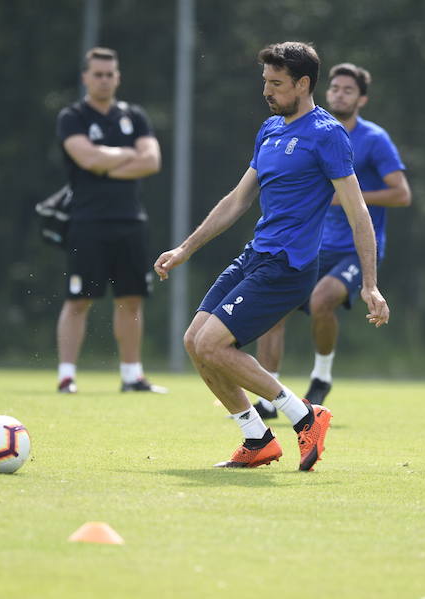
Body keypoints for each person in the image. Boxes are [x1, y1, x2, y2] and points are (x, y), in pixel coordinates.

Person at [154, 42, 390, 470]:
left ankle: (305, 415)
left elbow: (359, 216)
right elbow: (237, 201)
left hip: (290, 267)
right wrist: (185, 248)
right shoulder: (270, 130)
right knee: (195, 342)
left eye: (276, 84)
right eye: (265, 81)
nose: (267, 91)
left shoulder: (327, 134)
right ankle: (256, 437)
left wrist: (370, 285)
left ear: (303, 84)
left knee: (213, 343)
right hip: (255, 256)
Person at [252, 62, 411, 415]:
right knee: (272, 311)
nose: (339, 94)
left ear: (362, 99)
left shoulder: (373, 139)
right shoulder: (311, 130)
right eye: (335, 88)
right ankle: (266, 398)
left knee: (322, 300)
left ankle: (321, 377)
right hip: (314, 245)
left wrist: (349, 196)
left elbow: (401, 194)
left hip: (354, 250)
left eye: (348, 90)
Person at [54, 47, 166, 394]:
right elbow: (86, 158)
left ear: (117, 77)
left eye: (110, 74)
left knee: (131, 298)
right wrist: (126, 155)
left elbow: (151, 162)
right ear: (86, 77)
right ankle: (67, 375)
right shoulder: (72, 116)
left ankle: (132, 375)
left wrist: (106, 162)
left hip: (130, 220)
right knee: (79, 300)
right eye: (97, 74)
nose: (104, 80)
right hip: (87, 221)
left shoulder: (135, 116)